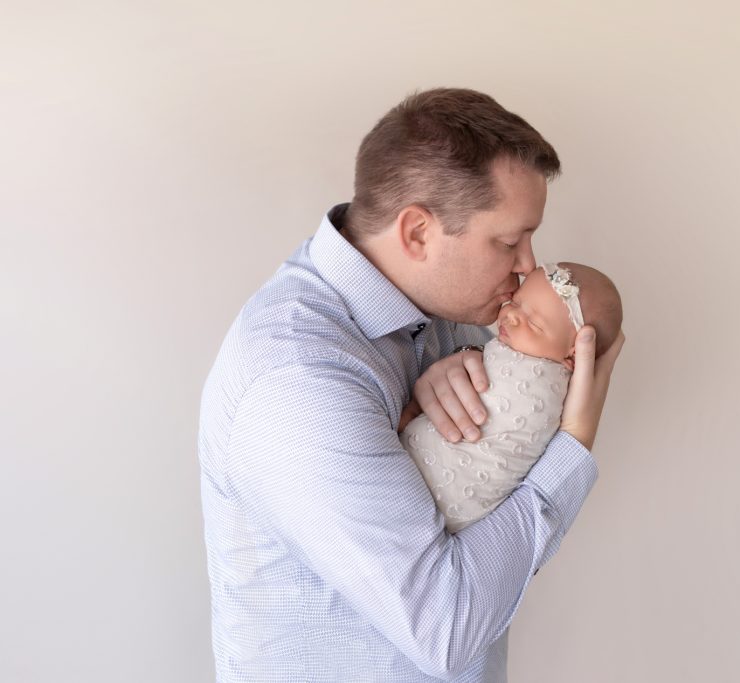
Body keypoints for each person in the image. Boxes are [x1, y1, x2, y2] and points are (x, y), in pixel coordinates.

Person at [198, 87, 624, 682]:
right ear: (418, 233)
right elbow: (446, 628)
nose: (530, 265)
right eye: (508, 241)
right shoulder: (297, 379)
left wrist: (453, 374)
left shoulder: (449, 303)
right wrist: (571, 450)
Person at [402, 262, 623, 533]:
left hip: (435, 499)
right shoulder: (491, 344)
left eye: (534, 323)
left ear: (573, 354)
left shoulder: (548, 390)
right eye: (516, 302)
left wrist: (578, 433)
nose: (510, 316)